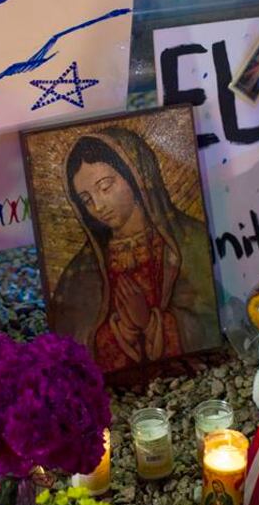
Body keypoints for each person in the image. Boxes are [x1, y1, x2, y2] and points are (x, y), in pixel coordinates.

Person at [49, 127, 220, 374]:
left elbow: (210, 321)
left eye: (105, 186)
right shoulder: (79, 274)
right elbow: (70, 349)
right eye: (86, 199)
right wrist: (124, 329)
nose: (97, 206)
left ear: (136, 177)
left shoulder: (192, 240)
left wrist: (152, 324)